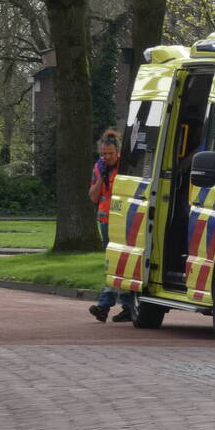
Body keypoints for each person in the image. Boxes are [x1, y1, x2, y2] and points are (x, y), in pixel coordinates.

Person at [88, 129, 134, 323]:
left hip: (123, 220)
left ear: (118, 153)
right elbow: (93, 196)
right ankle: (126, 306)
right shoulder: (99, 168)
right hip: (106, 221)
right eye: (104, 154)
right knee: (113, 263)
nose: (107, 157)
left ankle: (106, 305)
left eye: (110, 154)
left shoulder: (126, 168)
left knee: (118, 262)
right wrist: (101, 177)